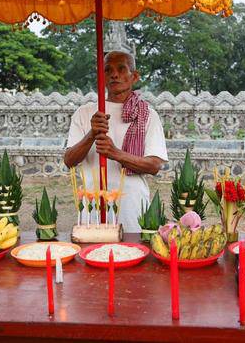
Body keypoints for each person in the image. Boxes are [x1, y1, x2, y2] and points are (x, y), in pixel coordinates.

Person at [64, 51, 168, 232]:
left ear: (134, 76)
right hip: (93, 205)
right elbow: (69, 160)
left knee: (131, 256)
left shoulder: (148, 115)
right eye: (108, 70)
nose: (114, 74)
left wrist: (116, 153)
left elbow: (154, 165)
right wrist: (91, 135)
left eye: (121, 69)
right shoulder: (85, 113)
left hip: (132, 206)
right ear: (102, 76)